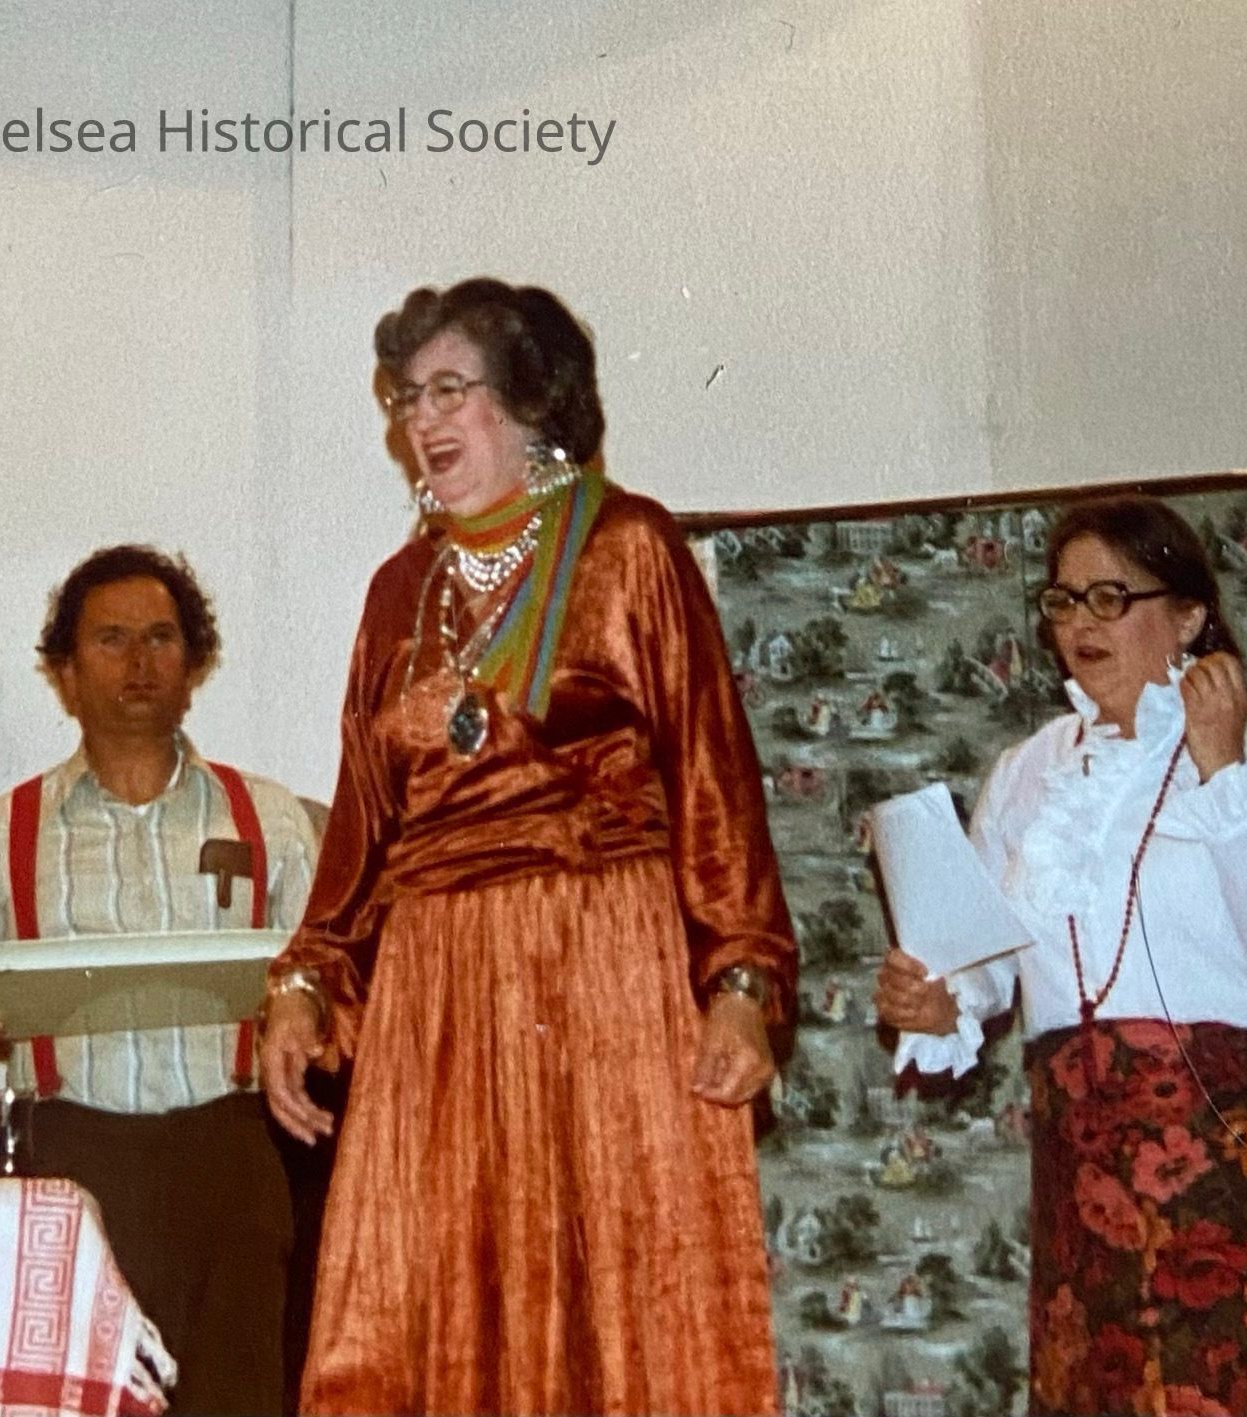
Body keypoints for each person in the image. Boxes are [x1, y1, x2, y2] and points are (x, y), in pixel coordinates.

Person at [257, 278, 796, 1415]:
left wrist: (741, 982)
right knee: (415, 1300)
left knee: (625, 1295)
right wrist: (306, 984)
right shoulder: (398, 592)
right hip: (437, 987)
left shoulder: (628, 546)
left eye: (450, 389)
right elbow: (362, 827)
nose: (422, 419)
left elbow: (713, 776)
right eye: (406, 398)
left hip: (603, 961)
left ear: (529, 399)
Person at [874, 495, 1247, 1416]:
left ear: (1187, 617)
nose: (1081, 624)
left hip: (1240, 1162)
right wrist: (941, 1002)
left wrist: (1222, 772)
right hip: (1089, 1169)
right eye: (1064, 601)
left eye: (1111, 597)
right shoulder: (1025, 774)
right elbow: (981, 966)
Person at [0, 544, 322, 1416]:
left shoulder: (271, 818)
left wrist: (307, 1004)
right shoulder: (2, 831)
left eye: (161, 637)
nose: (139, 661)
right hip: (68, 1162)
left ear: (194, 665)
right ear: (64, 672)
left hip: (233, 1161)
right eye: (111, 639)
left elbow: (335, 980)